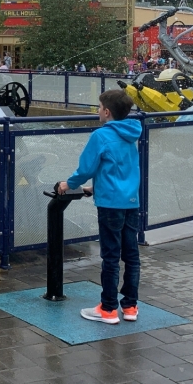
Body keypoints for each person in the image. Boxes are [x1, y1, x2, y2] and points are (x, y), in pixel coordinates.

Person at [54, 89, 141, 324]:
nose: (97, 111)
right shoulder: (132, 133)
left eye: (99, 107)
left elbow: (86, 169)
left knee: (111, 256)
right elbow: (122, 169)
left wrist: (67, 184)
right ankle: (130, 307)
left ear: (107, 111)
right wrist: (95, 188)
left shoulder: (100, 136)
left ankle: (108, 309)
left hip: (110, 205)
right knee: (131, 255)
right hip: (131, 201)